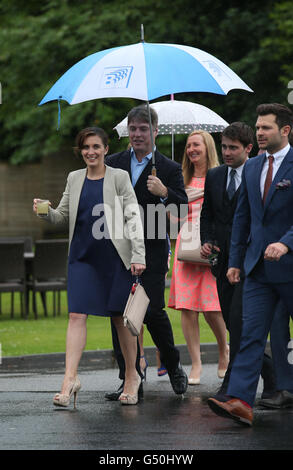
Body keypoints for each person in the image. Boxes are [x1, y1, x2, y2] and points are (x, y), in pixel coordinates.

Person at [33, 127, 146, 407]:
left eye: (96, 146)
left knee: (121, 320)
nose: (91, 152)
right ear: (80, 151)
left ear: (106, 149)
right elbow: (63, 218)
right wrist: (45, 211)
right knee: (75, 315)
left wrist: (139, 254)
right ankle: (69, 379)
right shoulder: (74, 178)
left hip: (115, 258)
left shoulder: (119, 177)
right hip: (82, 258)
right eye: (85, 147)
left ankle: (132, 375)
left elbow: (133, 217)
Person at [207, 103, 293, 426]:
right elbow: (243, 216)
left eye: (266, 128)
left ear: (285, 131)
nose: (259, 132)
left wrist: (286, 242)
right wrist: (235, 261)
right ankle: (241, 400)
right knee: (249, 334)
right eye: (257, 127)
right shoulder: (255, 167)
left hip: (290, 264)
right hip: (256, 269)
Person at [105, 104, 189, 400]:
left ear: (155, 131)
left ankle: (173, 363)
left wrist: (164, 192)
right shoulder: (112, 163)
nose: (137, 134)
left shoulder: (168, 168)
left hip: (153, 246)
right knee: (119, 312)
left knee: (151, 310)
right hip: (119, 247)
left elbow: (182, 209)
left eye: (143, 129)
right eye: (133, 129)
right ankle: (129, 377)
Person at [200, 122, 276, 400]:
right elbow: (207, 214)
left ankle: (231, 387)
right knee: (236, 326)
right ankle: (270, 374)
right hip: (222, 262)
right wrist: (206, 239)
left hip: (251, 262)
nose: (227, 152)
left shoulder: (260, 174)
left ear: (248, 148)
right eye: (224, 147)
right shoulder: (215, 175)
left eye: (233, 147)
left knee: (238, 322)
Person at [168, 130, 229, 385]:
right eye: (189, 146)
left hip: (210, 246)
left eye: (197, 145)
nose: (192, 149)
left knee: (213, 308)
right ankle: (196, 363)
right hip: (186, 247)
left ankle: (224, 351)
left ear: (207, 148)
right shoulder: (179, 178)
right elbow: (171, 217)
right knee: (187, 308)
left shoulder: (219, 176)